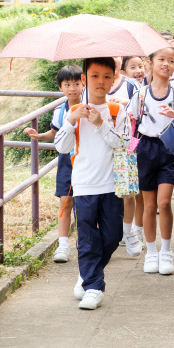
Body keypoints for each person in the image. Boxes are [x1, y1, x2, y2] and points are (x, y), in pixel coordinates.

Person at [54, 57, 131, 309]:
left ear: (113, 79)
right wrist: (72, 120)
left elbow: (123, 143)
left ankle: (87, 273)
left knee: (112, 236)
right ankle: (94, 287)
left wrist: (100, 123)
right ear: (84, 79)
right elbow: (61, 147)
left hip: (112, 185)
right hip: (84, 185)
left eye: (107, 76)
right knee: (87, 238)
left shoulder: (117, 111)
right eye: (95, 76)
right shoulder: (74, 111)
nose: (101, 81)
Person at [127, 47, 174, 275]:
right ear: (151, 63)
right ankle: (151, 252)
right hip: (145, 149)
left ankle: (166, 251)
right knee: (149, 205)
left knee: (164, 202)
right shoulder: (141, 94)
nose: (166, 64)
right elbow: (129, 119)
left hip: (168, 148)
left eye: (172, 60)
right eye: (162, 59)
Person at [23, 64, 84, 264]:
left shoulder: (90, 105)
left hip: (87, 159)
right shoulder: (60, 110)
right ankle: (63, 244)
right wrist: (39, 136)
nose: (72, 88)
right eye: (67, 84)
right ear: (60, 87)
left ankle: (86, 243)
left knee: (86, 204)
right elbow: (55, 133)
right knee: (65, 201)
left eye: (76, 83)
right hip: (67, 159)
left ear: (83, 83)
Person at [108, 56, 143, 258]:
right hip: (102, 145)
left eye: (117, 56)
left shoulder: (131, 85)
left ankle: (128, 232)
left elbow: (143, 109)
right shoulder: (93, 83)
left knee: (128, 189)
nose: (113, 59)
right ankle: (109, 235)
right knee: (105, 192)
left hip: (127, 144)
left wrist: (127, 103)